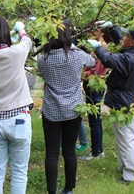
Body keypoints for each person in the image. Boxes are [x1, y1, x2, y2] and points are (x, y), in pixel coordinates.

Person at [38, 21, 95, 194]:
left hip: (51, 109)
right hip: (73, 109)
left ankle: (52, 191)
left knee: (52, 152)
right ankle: (69, 188)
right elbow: (92, 61)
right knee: (69, 150)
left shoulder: (42, 58)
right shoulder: (76, 55)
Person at [87, 25, 134, 185]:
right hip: (125, 101)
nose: (123, 38)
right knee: (124, 138)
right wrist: (112, 28)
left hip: (125, 103)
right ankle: (124, 168)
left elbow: (109, 60)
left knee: (127, 138)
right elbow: (121, 40)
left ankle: (131, 175)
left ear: (133, 42)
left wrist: (98, 47)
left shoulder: (131, 59)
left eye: (127, 36)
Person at [0, 15, 34, 194]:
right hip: (19, 118)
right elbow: (27, 40)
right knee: (19, 171)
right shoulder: (17, 53)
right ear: (6, 33)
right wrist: (20, 29)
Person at [78, 20, 115, 161]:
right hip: (92, 85)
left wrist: (81, 74)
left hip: (95, 86)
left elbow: (97, 72)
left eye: (89, 31)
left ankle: (97, 152)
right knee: (94, 119)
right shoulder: (98, 48)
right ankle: (96, 150)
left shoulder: (102, 49)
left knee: (94, 120)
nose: (88, 35)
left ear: (98, 31)